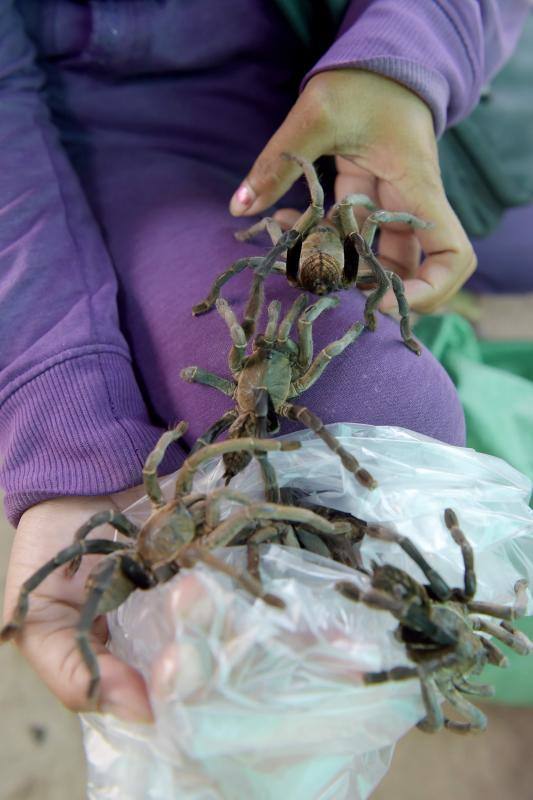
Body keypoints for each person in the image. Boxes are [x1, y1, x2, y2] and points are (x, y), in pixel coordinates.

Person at [1, 0, 530, 723]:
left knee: (432, 263)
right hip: (101, 140)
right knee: (381, 405)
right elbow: (234, 311)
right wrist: (71, 445)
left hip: (340, 78)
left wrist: (404, 61)